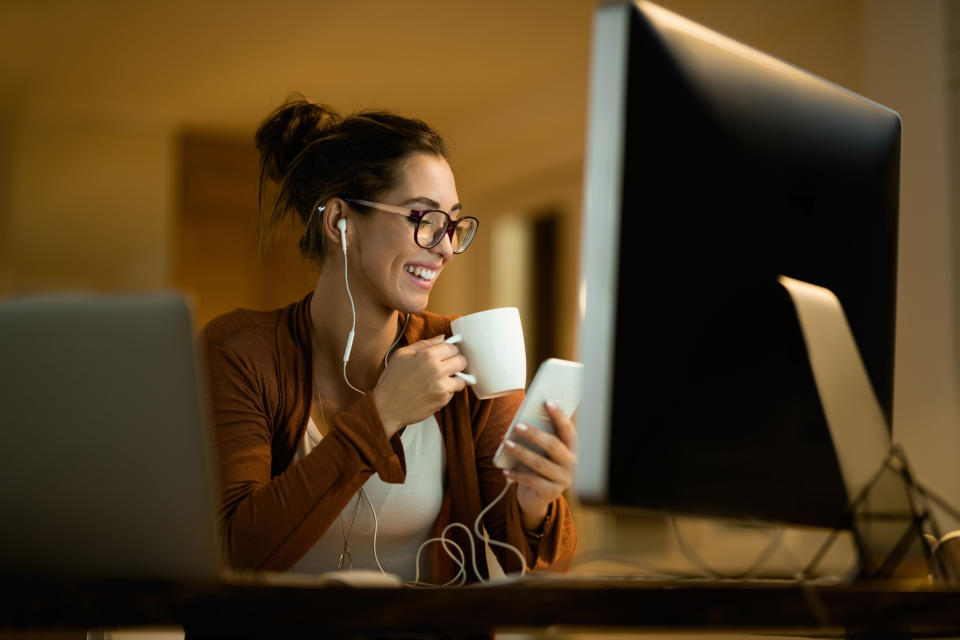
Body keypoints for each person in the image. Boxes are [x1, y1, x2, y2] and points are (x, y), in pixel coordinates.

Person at [200, 97, 577, 584]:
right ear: (341, 221)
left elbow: (531, 573)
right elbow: (238, 551)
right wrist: (382, 415)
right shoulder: (240, 350)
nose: (445, 247)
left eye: (452, 223)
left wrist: (535, 507)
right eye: (423, 218)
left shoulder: (468, 351)